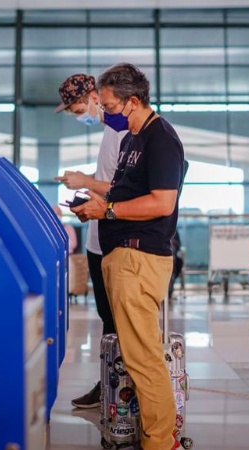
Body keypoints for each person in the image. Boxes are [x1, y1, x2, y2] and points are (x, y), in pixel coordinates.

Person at [71, 63, 185, 450]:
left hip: (140, 260)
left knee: (143, 360)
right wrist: (97, 202)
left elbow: (162, 202)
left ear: (132, 101)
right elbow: (125, 193)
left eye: (109, 106)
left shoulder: (160, 138)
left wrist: (108, 212)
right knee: (136, 357)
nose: (105, 113)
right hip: (121, 258)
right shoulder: (133, 139)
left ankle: (159, 443)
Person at [52, 73, 128, 409]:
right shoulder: (109, 131)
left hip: (114, 238)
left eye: (78, 106)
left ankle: (121, 389)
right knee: (106, 319)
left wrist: (86, 181)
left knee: (116, 321)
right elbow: (106, 181)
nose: (76, 114)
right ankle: (111, 384)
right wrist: (84, 187)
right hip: (98, 239)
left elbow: (121, 187)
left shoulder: (123, 131)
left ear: (97, 96)